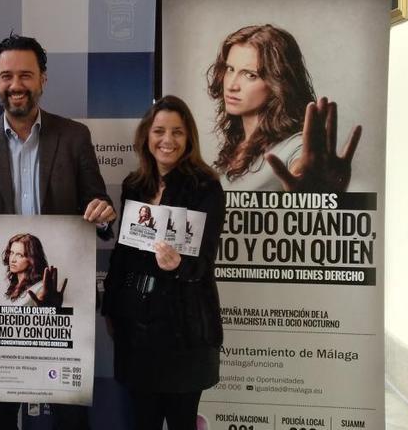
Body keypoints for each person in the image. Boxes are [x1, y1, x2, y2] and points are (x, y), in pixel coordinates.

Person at [0, 34, 116, 430]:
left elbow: (98, 206)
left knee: (71, 418)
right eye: (6, 76)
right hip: (1, 303)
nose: (15, 85)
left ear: (43, 80)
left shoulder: (74, 137)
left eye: (25, 75)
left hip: (60, 303)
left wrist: (103, 214)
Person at [102, 96, 225, 430]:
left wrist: (178, 266)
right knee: (143, 421)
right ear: (146, 136)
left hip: (183, 331)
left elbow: (204, 261)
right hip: (137, 331)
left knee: (182, 422)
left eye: (177, 132)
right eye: (159, 131)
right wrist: (111, 308)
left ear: (188, 139)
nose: (167, 140)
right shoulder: (135, 185)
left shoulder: (206, 187)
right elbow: (123, 256)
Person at [206, 24, 361, 191]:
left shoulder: (296, 146)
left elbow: (303, 168)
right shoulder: (236, 146)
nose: (231, 85)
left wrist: (314, 192)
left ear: (278, 83)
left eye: (250, 75)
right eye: (230, 69)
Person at [2, 233, 65, 307]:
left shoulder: (41, 288)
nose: (12, 259)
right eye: (11, 253)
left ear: (32, 259)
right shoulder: (15, 286)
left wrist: (51, 309)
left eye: (20, 255)